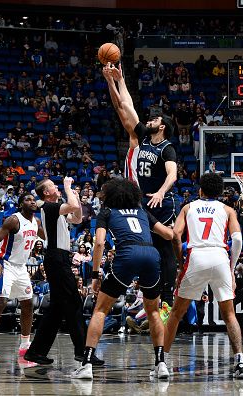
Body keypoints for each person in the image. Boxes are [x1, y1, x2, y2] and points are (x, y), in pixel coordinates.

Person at [71, 178, 174, 380]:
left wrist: (94, 274)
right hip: (151, 255)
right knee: (153, 311)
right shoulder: (143, 212)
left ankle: (87, 365)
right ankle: (161, 364)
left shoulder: (107, 212)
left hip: (127, 254)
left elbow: (99, 243)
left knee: (100, 309)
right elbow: (169, 235)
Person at [103, 63, 178, 304]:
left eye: (155, 118)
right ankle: (141, 297)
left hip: (160, 202)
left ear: (162, 126)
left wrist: (161, 191)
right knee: (140, 246)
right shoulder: (141, 138)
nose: (150, 120)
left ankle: (166, 297)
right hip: (138, 201)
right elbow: (125, 106)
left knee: (165, 245)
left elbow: (173, 175)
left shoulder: (167, 148)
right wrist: (118, 80)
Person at [164, 173, 243, 379]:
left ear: (200, 190)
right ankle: (240, 363)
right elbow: (237, 240)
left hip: (196, 256)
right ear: (220, 193)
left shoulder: (188, 207)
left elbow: (175, 235)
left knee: (176, 313)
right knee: (229, 315)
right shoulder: (228, 209)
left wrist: (180, 261)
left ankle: (162, 362)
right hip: (220, 257)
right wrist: (231, 267)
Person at [24, 177, 103, 366]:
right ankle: (83, 351)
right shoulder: (47, 206)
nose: (56, 186)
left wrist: (72, 195)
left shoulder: (55, 209)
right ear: (45, 192)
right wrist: (68, 188)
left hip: (59, 258)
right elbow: (73, 206)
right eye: (52, 185)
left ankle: (36, 352)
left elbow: (77, 216)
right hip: (56, 258)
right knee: (74, 303)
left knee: (58, 309)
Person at [0, 193, 43, 360]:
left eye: (34, 199)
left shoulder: (37, 222)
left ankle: (25, 344)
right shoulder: (14, 220)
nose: (32, 201)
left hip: (21, 268)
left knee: (28, 303)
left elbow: (47, 237)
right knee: (1, 303)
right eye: (28, 199)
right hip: (7, 265)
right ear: (21, 204)